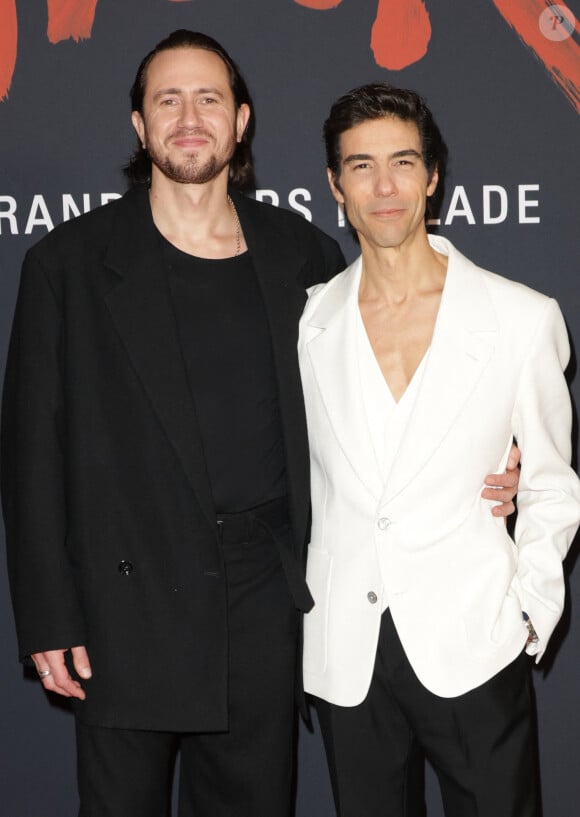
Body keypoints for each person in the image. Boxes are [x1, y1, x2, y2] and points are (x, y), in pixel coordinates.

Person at [1, 34, 520, 817]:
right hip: (123, 610)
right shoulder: (66, 266)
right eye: (166, 100)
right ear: (140, 127)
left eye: (209, 99)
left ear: (240, 121)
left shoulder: (303, 257)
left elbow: (381, 396)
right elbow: (30, 454)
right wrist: (47, 614)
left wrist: (489, 456)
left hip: (262, 608)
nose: (188, 117)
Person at [298, 83, 580, 817]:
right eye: (361, 166)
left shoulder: (521, 318)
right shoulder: (307, 322)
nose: (384, 186)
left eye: (402, 161)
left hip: (475, 638)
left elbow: (551, 482)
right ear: (335, 185)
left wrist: (529, 610)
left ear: (432, 176)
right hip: (346, 650)